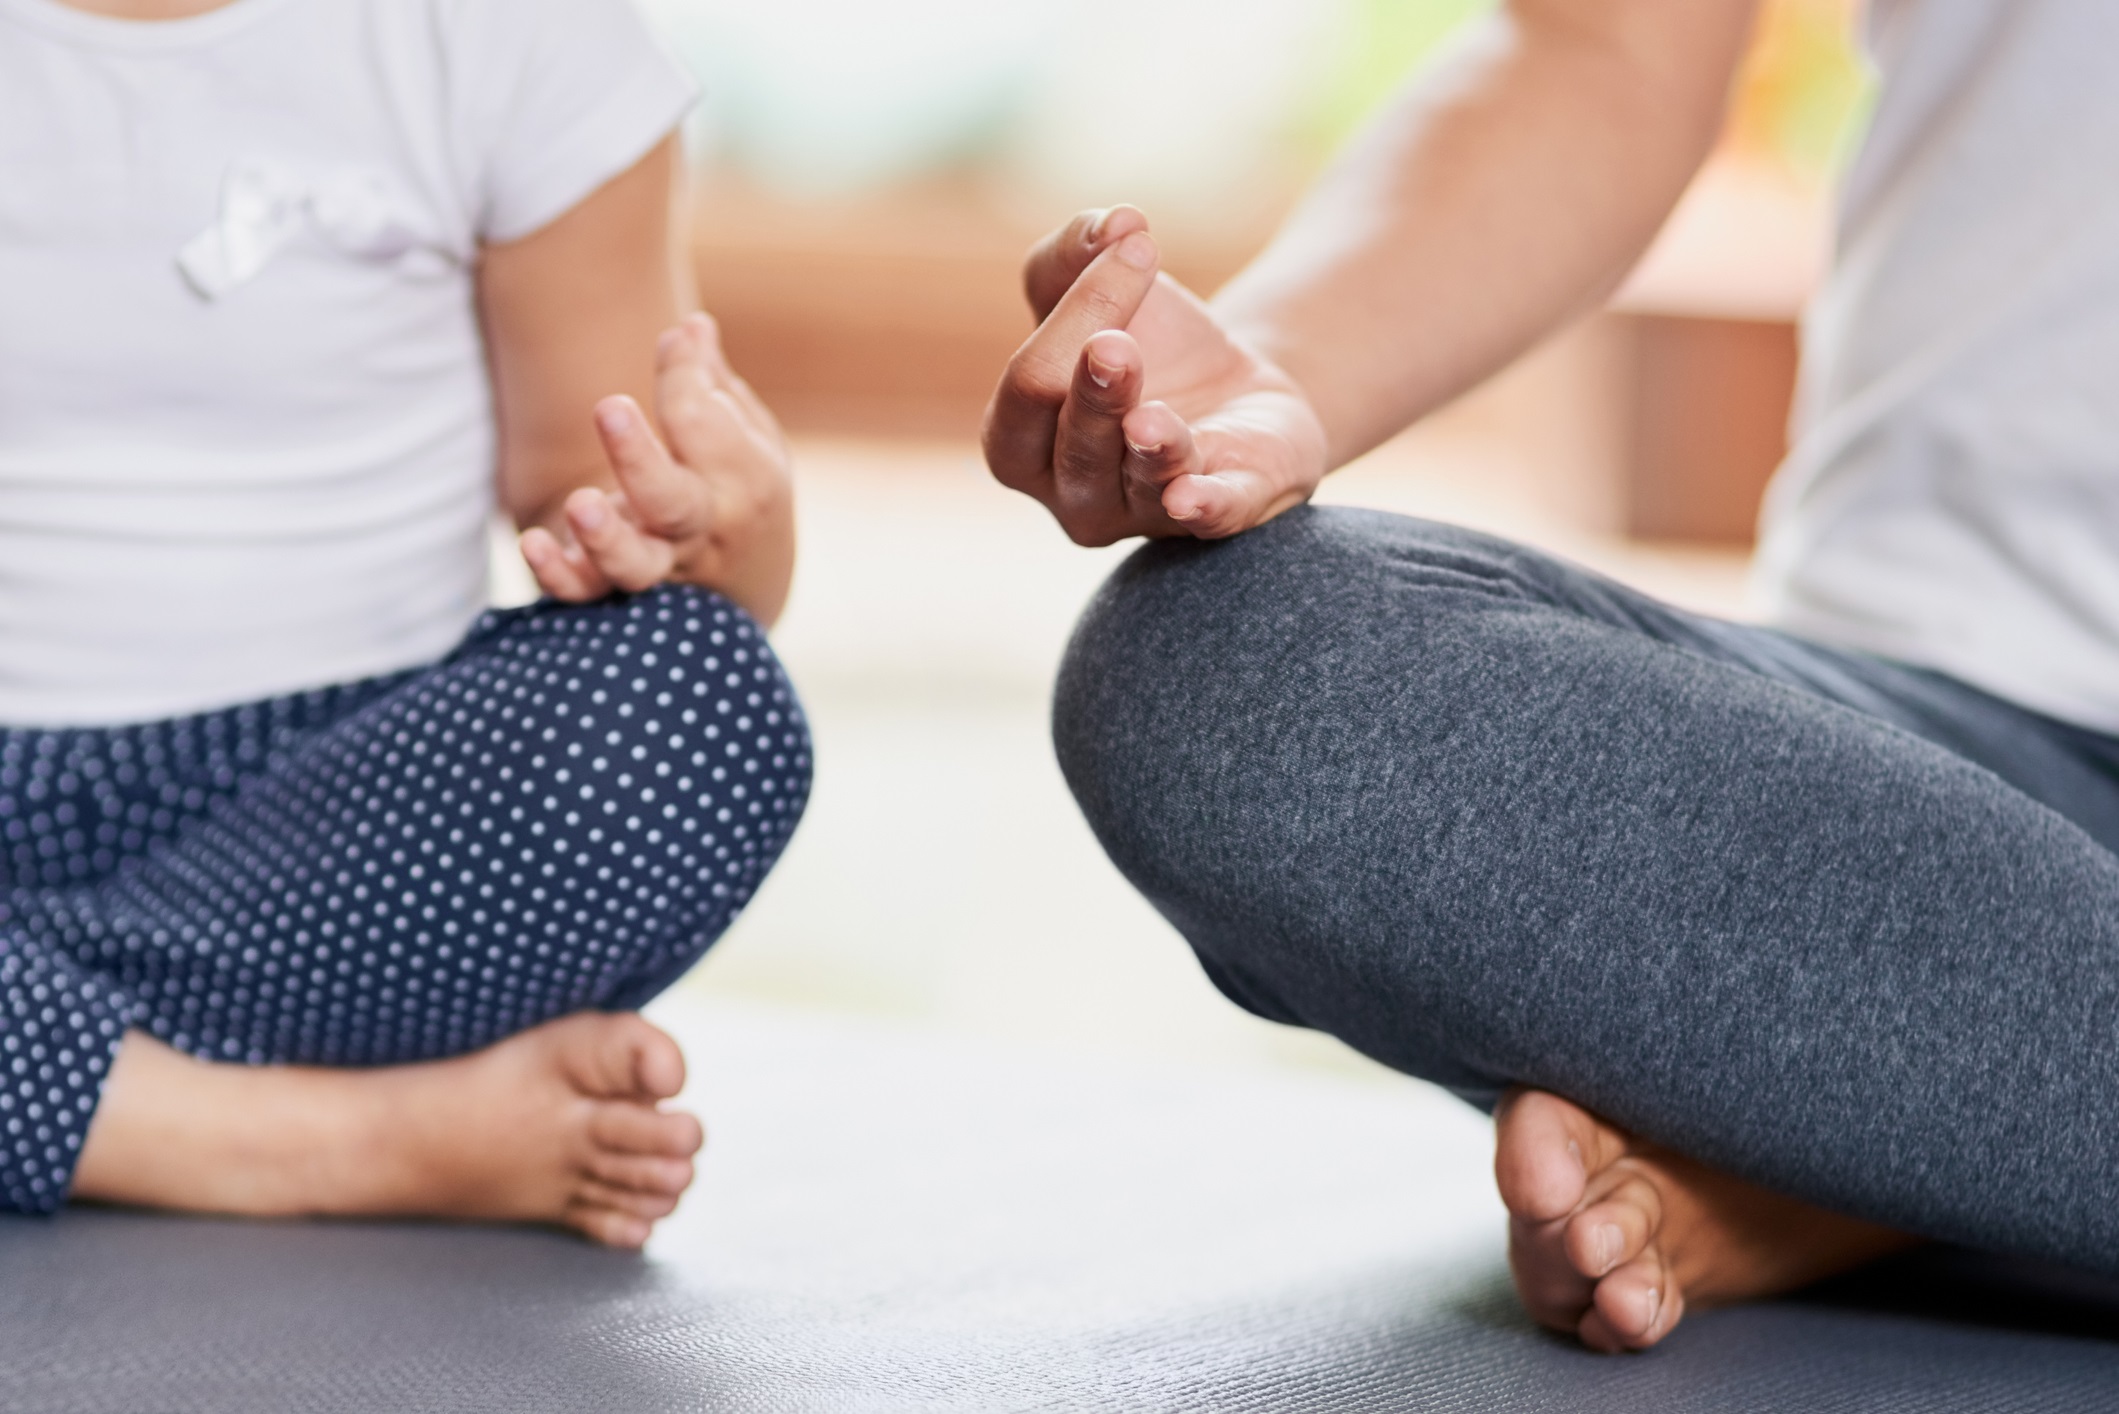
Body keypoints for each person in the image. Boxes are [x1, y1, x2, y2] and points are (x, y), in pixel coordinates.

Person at [983, 0, 2119, 1352]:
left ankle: (1889, 1155)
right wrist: (1265, 382)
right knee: (1218, 677)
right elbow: (1602, 49)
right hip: (1939, 775)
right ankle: (1954, 1128)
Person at [0, 0, 808, 1249]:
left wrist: (721, 530)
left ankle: (55, 1058)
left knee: (704, 704)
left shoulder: (508, 32)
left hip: (326, 813)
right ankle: (296, 1138)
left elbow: (619, 519)